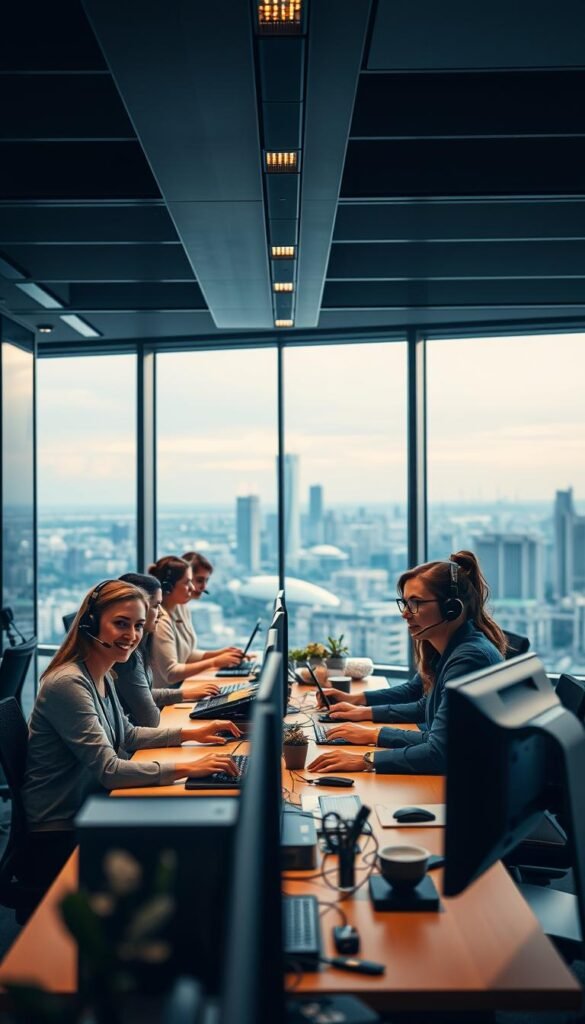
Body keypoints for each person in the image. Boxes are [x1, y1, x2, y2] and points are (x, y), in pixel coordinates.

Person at [19, 579, 241, 892]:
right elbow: (110, 771)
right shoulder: (68, 684)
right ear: (90, 624)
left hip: (90, 805)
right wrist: (191, 767)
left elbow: (128, 735)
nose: (132, 636)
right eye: (120, 624)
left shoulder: (103, 672)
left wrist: (194, 732)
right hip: (59, 830)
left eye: (138, 625)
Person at [308, 551, 506, 776]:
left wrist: (365, 758)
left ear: (452, 608)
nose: (405, 614)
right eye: (404, 603)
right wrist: (364, 716)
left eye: (416, 603)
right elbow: (427, 711)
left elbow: (438, 752)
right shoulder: (449, 649)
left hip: (477, 785)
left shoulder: (469, 659)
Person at [113, 573, 221, 726]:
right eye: (156, 605)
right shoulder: (126, 658)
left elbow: (144, 693)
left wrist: (183, 694)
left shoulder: (135, 651)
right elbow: (150, 719)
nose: (161, 613)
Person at [149, 556, 243, 687]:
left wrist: (218, 654)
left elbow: (184, 654)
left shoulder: (180, 608)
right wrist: (214, 662)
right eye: (187, 582)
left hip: (177, 689)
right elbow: (171, 673)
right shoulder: (160, 621)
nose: (193, 588)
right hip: (165, 698)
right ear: (168, 587)